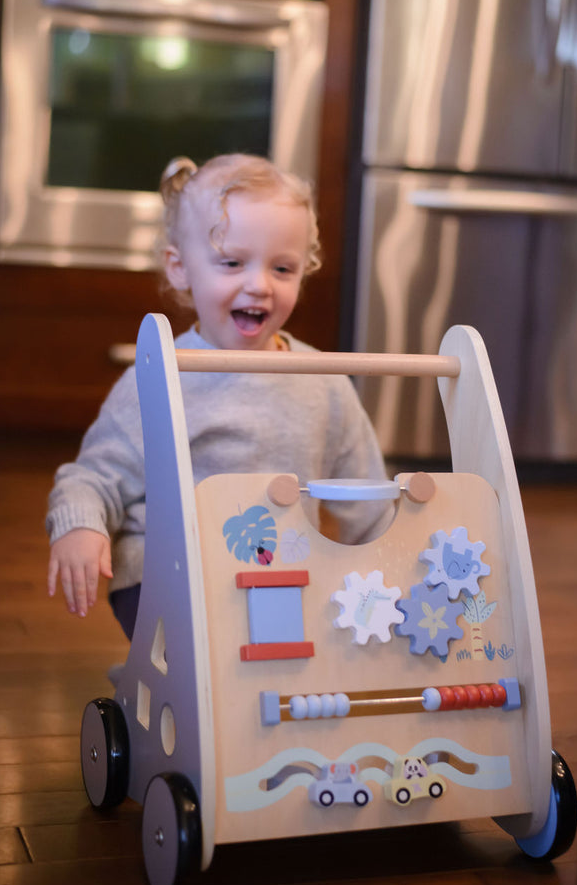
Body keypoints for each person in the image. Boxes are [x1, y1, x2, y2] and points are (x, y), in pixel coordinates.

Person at [46, 153, 393, 640]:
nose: (259, 285)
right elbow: (93, 477)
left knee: (332, 633)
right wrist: (80, 526)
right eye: (232, 263)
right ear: (180, 268)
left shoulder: (324, 381)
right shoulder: (162, 376)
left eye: (283, 268)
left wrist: (393, 564)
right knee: (222, 644)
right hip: (165, 575)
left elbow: (367, 499)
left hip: (282, 579)